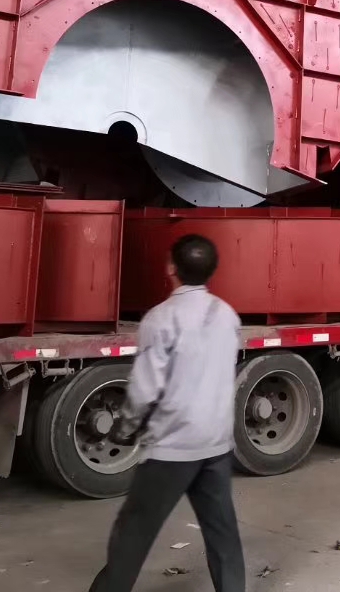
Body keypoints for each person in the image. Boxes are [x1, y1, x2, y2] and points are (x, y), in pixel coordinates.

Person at [90, 234, 245, 592]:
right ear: (212, 271)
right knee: (222, 532)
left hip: (172, 447)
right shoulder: (227, 315)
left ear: (171, 268)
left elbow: (145, 389)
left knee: (134, 531)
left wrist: (125, 427)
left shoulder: (160, 319)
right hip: (216, 442)